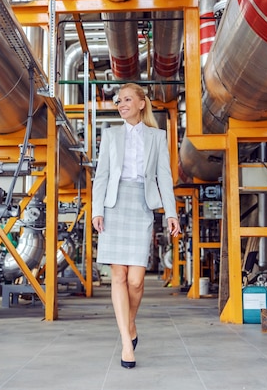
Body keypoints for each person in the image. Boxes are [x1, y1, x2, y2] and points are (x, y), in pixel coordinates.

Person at [92, 83, 181, 369]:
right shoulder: (110, 135)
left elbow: (164, 177)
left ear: (142, 104)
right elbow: (101, 175)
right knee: (118, 276)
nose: (121, 104)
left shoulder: (157, 137)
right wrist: (97, 210)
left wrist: (171, 212)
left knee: (136, 280)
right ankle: (125, 343)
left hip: (142, 204)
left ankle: (130, 323)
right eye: (119, 101)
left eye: (127, 99)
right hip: (114, 205)